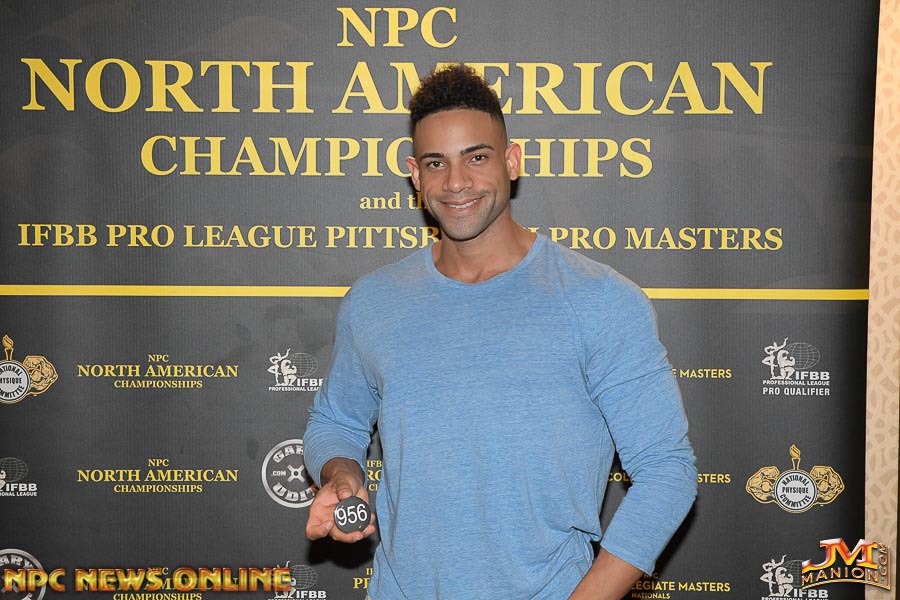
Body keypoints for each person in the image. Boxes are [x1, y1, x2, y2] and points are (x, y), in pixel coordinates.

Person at [303, 64, 697, 599]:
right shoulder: (373, 301)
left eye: (476, 157)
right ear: (415, 175)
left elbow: (666, 471)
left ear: (512, 162)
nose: (455, 182)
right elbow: (336, 421)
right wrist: (341, 473)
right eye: (436, 163)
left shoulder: (599, 300)